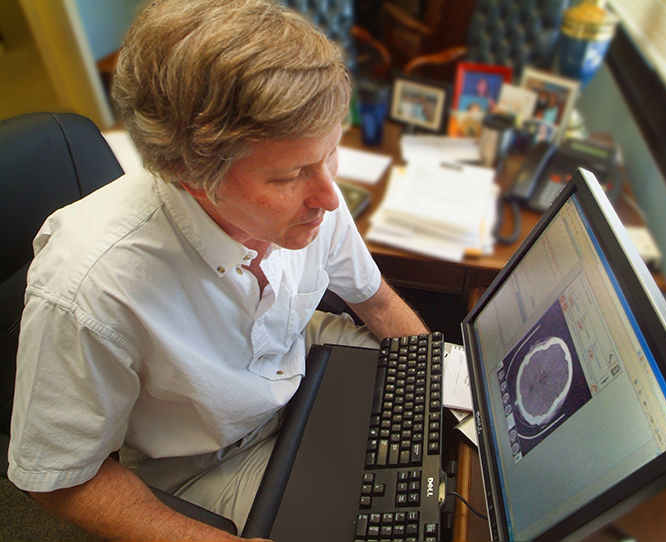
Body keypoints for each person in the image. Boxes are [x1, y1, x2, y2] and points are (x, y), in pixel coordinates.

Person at [6, 0, 428, 540]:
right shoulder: (88, 289)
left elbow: (378, 303)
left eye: (332, 153)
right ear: (189, 174)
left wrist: (433, 388)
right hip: (207, 461)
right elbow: (57, 480)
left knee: (456, 446)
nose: (328, 196)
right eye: (288, 177)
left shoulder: (315, 194)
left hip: (301, 367)